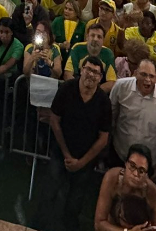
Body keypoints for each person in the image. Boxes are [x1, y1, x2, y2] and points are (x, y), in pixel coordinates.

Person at [42, 56, 113, 231]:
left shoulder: (104, 102)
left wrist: (81, 162)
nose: (91, 74)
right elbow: (55, 120)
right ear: (81, 70)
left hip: (86, 160)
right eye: (88, 69)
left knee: (75, 201)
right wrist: (66, 154)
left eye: (96, 72)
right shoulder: (67, 89)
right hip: (60, 154)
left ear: (100, 77)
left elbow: (103, 138)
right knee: (49, 193)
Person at [109, 60, 156, 180]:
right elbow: (111, 118)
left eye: (151, 76)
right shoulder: (120, 87)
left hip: (150, 164)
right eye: (144, 74)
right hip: (120, 156)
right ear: (136, 73)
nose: (148, 80)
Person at [93, 144, 156, 231]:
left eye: (141, 171)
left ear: (146, 174)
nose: (135, 174)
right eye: (132, 166)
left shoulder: (153, 193)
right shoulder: (112, 178)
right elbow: (99, 223)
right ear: (125, 163)